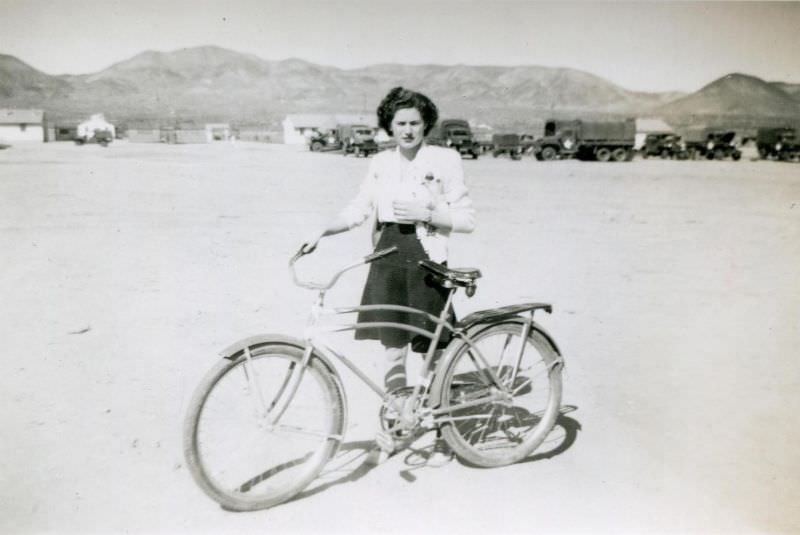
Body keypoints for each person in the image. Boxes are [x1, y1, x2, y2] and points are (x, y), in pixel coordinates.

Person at [302, 86, 475, 456]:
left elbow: (466, 219)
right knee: (392, 348)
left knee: (434, 348)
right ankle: (401, 422)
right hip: (388, 259)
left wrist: (428, 214)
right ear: (389, 127)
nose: (408, 130)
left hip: (427, 259)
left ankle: (446, 425)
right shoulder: (380, 163)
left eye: (415, 122)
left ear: (426, 123)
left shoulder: (445, 159)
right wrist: (323, 230)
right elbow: (359, 207)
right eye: (400, 123)